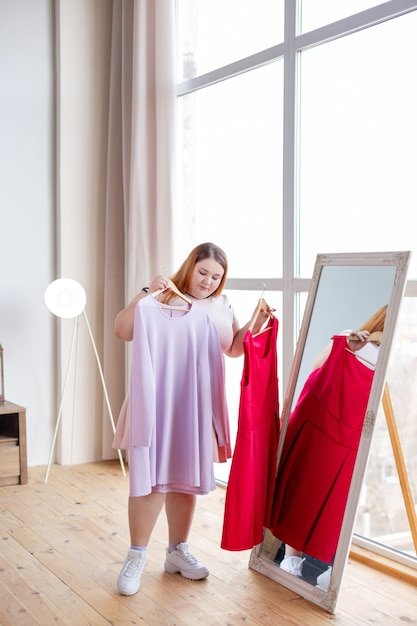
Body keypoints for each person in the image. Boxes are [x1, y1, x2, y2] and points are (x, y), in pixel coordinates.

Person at [113, 242, 274, 596]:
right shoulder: (164, 297)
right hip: (159, 397)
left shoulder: (221, 303)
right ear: (190, 267)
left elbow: (232, 348)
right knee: (152, 479)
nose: (208, 282)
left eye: (216, 277)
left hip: (197, 402)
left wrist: (254, 323)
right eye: (203, 272)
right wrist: (145, 292)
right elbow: (123, 331)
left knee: (186, 480)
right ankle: (136, 555)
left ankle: (176, 551)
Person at [269, 305, 387, 586]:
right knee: (313, 494)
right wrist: (346, 344)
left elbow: (317, 367)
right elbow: (317, 368)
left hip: (342, 432)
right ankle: (294, 560)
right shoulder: (353, 340)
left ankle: (294, 560)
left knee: (309, 494)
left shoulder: (377, 353)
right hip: (327, 427)